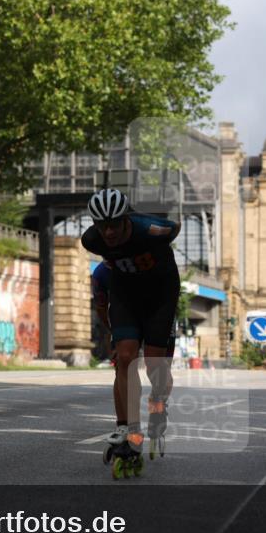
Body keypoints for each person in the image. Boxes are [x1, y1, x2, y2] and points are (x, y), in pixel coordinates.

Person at [81, 188, 180, 478]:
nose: (108, 232)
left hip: (160, 296)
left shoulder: (153, 229)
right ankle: (125, 427)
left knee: (153, 364)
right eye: (102, 225)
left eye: (114, 224)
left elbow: (177, 226)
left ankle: (159, 403)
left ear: (127, 219)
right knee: (124, 358)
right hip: (125, 295)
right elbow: (102, 305)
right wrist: (115, 334)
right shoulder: (91, 239)